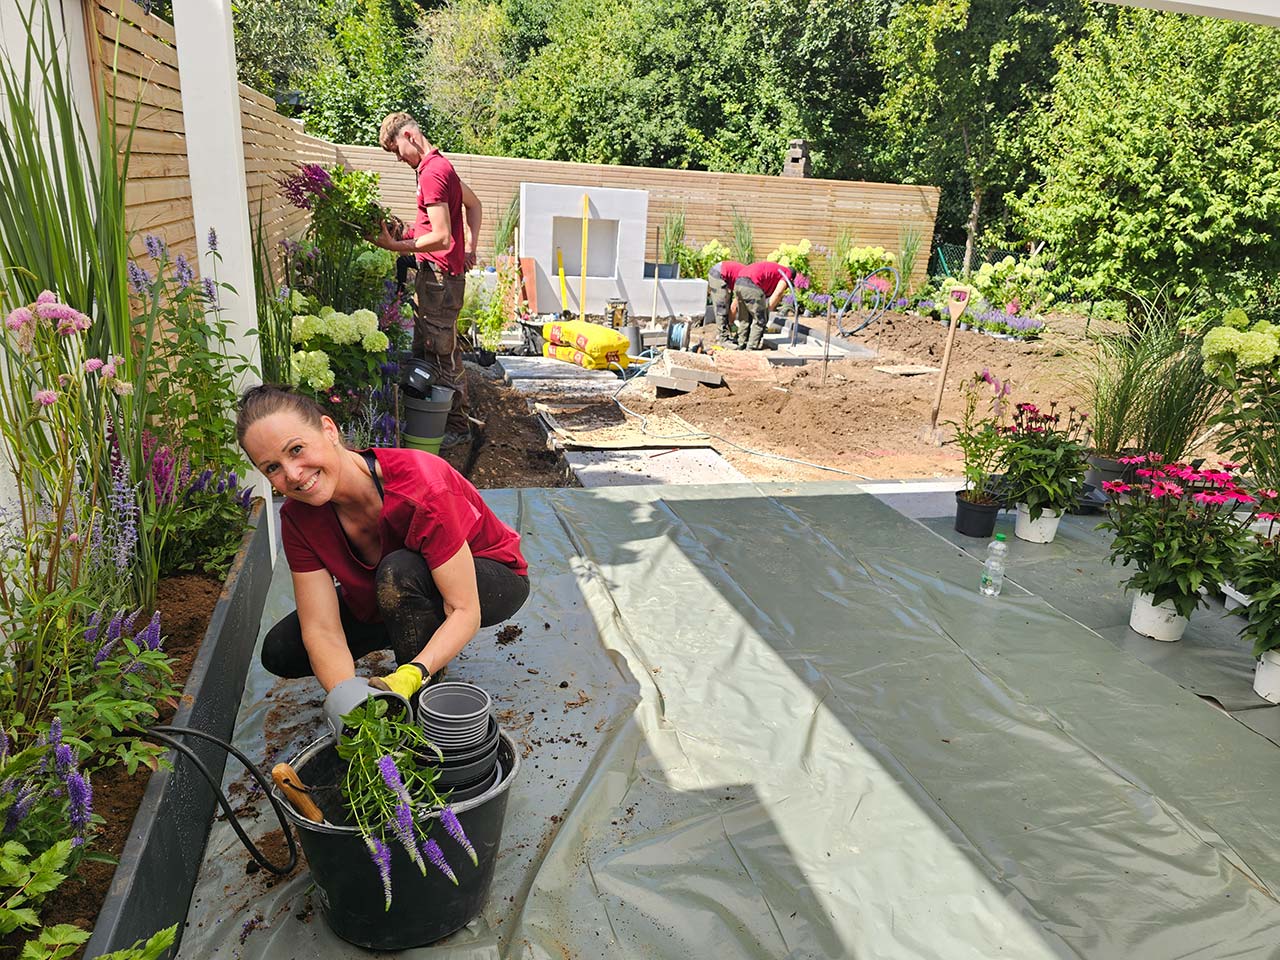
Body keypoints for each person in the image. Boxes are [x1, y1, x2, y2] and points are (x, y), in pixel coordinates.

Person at [237, 385, 530, 709]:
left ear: (329, 430)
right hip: (391, 589)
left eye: (296, 449)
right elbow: (321, 630)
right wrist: (350, 700)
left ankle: (420, 699)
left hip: (488, 580)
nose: (292, 475)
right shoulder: (298, 519)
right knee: (282, 650)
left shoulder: (420, 484)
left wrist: (411, 674)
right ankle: (411, 629)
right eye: (272, 468)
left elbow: (465, 610)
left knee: (399, 572)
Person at [374, 112, 482, 450]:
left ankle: (457, 426)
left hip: (439, 280)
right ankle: (431, 418)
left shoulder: (433, 172)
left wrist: (394, 246)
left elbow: (441, 237)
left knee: (441, 355)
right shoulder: (438, 167)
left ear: (409, 136)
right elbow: (473, 205)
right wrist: (470, 247)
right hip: (437, 277)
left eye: (396, 150)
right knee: (429, 350)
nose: (398, 158)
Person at [730, 261, 797, 351]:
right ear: (791, 279)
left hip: (739, 282)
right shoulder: (787, 273)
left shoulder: (776, 270)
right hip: (751, 285)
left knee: (745, 318)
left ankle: (741, 344)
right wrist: (766, 312)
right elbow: (778, 292)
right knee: (760, 320)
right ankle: (751, 348)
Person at [706, 260, 745, 341]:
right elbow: (734, 307)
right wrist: (731, 323)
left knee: (727, 302)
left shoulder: (750, 282)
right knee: (721, 306)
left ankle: (725, 332)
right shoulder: (746, 285)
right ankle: (722, 338)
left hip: (726, 273)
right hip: (718, 273)